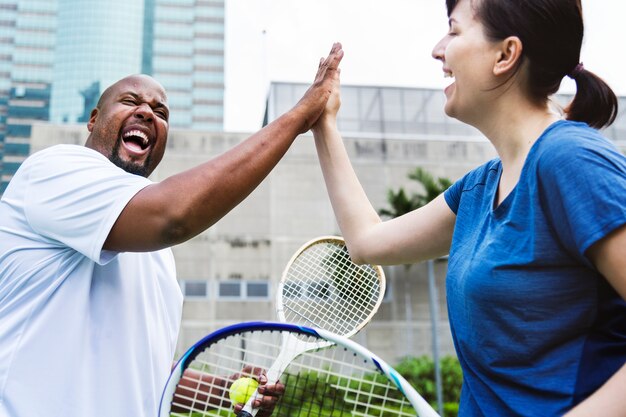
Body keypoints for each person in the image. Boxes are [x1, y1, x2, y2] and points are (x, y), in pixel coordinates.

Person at [311, 1, 626, 416]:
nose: (438, 50)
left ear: (505, 54)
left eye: (454, 32)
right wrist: (324, 123)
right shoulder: (479, 188)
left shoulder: (572, 161)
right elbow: (367, 242)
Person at [0, 42, 343, 417]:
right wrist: (298, 116)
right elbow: (174, 214)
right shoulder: (54, 170)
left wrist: (225, 388)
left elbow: (149, 377)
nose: (147, 113)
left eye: (160, 112)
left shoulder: (158, 256)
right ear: (94, 119)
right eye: (131, 101)